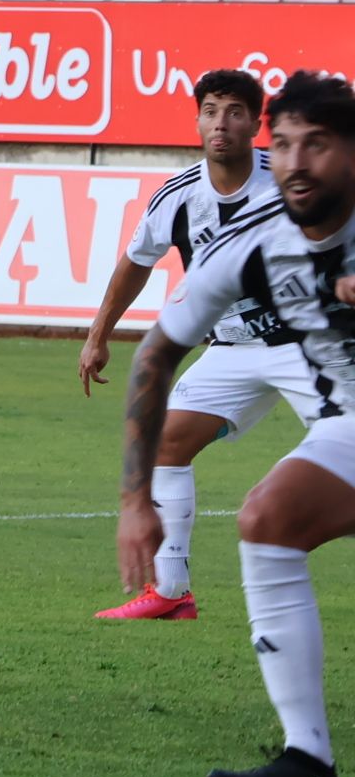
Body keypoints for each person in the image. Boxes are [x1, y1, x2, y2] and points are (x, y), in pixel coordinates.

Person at [113, 71, 355, 777]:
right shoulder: (252, 246)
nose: (295, 162)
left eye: (316, 144)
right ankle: (308, 764)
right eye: (282, 144)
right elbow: (154, 356)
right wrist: (133, 504)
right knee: (268, 518)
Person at [80, 73, 295, 618]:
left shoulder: (291, 181)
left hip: (312, 345)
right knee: (165, 446)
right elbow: (135, 263)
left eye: (235, 112)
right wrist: (98, 336)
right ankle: (172, 595)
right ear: (197, 119)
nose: (221, 123)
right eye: (210, 111)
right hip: (231, 350)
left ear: (256, 122)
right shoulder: (178, 198)